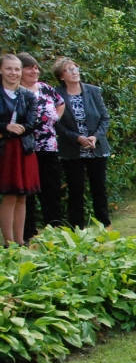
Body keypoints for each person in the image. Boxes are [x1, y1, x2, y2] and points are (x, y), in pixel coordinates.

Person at [53, 57, 110, 228]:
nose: (74, 72)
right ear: (61, 76)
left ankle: (104, 226)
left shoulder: (93, 91)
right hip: (72, 149)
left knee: (99, 189)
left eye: (75, 68)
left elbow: (105, 118)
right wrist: (77, 138)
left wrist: (95, 137)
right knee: (75, 190)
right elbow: (56, 123)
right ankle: (77, 228)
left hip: (96, 147)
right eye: (69, 70)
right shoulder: (56, 94)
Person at [18, 53, 64, 237]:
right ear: (20, 70)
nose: (34, 70)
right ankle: (28, 232)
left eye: (36, 67)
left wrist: (56, 119)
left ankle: (55, 229)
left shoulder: (45, 88)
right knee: (28, 191)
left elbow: (60, 103)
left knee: (51, 188)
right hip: (26, 147)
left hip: (49, 146)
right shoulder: (17, 92)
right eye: (29, 67)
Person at [0, 54, 39, 246]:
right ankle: (8, 243)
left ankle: (20, 240)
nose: (13, 73)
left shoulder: (29, 95)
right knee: (9, 194)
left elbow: (32, 124)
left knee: (23, 196)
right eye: (9, 68)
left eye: (16, 69)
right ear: (1, 70)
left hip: (24, 148)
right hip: (5, 150)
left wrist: (16, 129)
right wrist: (5, 128)